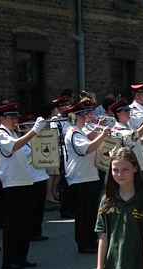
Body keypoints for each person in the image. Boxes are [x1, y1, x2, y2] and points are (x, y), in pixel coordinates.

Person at [0, 102, 47, 269]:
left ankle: (21, 257)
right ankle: (10, 260)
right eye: (13, 117)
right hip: (12, 184)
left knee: (24, 223)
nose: (16, 119)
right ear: (4, 118)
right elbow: (13, 147)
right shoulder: (0, 133)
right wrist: (34, 131)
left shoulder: (14, 132)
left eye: (16, 116)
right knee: (13, 225)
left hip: (25, 181)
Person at [62, 98, 109, 253]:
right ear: (76, 116)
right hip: (81, 178)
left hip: (89, 176)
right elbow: (86, 148)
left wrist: (100, 128)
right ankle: (84, 243)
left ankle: (90, 241)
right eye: (83, 115)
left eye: (87, 114)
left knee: (90, 213)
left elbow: (89, 137)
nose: (87, 117)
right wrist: (102, 135)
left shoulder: (80, 131)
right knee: (84, 214)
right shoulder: (73, 132)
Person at [110, 99, 143, 179]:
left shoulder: (129, 127)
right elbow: (135, 136)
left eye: (129, 110)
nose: (129, 112)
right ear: (118, 113)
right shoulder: (118, 129)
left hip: (136, 167)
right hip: (129, 169)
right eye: (126, 110)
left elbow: (134, 141)